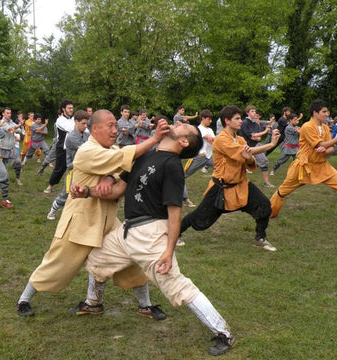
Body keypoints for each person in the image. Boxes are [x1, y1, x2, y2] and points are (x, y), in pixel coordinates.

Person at [71, 119, 235, 356]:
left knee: (176, 285)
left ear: (183, 141)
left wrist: (169, 250)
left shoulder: (172, 166)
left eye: (183, 126)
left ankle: (224, 332)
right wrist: (87, 191)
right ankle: (93, 303)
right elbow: (117, 190)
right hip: (126, 231)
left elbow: (175, 213)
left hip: (151, 235)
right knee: (96, 259)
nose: (177, 122)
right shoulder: (145, 155)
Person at [16, 110, 170, 318]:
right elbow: (119, 159)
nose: (115, 130)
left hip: (108, 220)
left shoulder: (111, 148)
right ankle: (24, 300)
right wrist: (155, 139)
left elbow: (119, 168)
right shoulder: (87, 150)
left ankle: (144, 305)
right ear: (95, 128)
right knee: (58, 262)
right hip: (81, 221)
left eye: (116, 126)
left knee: (131, 256)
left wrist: (108, 177)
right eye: (110, 126)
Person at [180, 105, 280, 251]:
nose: (240, 121)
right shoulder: (221, 139)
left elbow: (249, 160)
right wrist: (270, 144)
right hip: (221, 188)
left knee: (264, 205)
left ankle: (260, 238)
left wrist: (250, 159)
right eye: (237, 119)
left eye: (240, 118)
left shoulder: (239, 139)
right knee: (200, 217)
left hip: (241, 184)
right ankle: (176, 233)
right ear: (227, 121)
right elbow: (244, 151)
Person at [270, 99, 337, 227]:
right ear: (315, 112)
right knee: (283, 190)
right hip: (304, 166)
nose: (327, 114)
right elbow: (321, 144)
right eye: (324, 111)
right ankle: (269, 212)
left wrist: (326, 148)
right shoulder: (307, 127)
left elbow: (330, 148)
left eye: (327, 111)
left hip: (322, 166)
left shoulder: (325, 128)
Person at [47, 110, 90, 220]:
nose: (85, 126)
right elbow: (86, 150)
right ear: (76, 121)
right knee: (66, 194)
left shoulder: (86, 135)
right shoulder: (71, 137)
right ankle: (52, 211)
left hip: (85, 169)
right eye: (83, 123)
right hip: (73, 170)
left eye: (86, 124)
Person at [182, 110, 215, 208]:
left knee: (223, 170)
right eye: (208, 119)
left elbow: (213, 140)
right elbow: (207, 138)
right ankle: (185, 198)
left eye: (211, 119)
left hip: (209, 156)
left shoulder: (210, 130)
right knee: (182, 176)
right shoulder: (198, 129)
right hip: (199, 156)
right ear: (203, 118)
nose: (210, 121)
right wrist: (209, 138)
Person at [43, 100, 74, 194]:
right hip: (62, 148)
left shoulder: (74, 119)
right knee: (60, 168)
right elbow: (71, 129)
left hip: (73, 147)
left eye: (72, 108)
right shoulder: (60, 120)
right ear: (63, 109)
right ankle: (50, 185)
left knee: (75, 167)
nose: (71, 110)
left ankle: (72, 187)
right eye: (69, 108)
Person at [241, 105, 274, 187]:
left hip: (255, 145)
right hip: (247, 147)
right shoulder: (245, 122)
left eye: (254, 111)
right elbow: (253, 136)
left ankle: (266, 182)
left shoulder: (255, 123)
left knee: (264, 161)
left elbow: (258, 138)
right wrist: (265, 131)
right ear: (247, 113)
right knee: (239, 164)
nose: (254, 113)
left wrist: (256, 136)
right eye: (252, 111)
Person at [0, 107, 24, 186]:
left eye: (10, 113)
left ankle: (17, 179)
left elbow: (19, 130)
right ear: (3, 113)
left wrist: (20, 126)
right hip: (2, 148)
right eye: (7, 113)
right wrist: (19, 125)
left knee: (18, 163)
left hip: (12, 147)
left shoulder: (11, 122)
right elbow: (9, 129)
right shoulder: (1, 122)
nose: (9, 115)